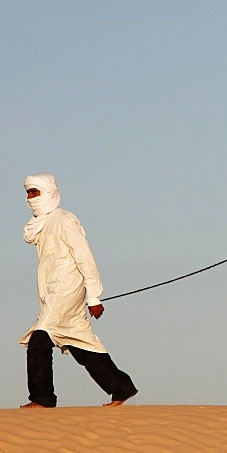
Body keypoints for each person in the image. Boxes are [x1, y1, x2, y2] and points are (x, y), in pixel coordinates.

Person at [19, 173, 138, 408]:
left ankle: (42, 398)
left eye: (35, 192)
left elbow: (85, 258)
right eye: (28, 192)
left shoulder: (64, 220)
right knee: (79, 342)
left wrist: (94, 295)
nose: (30, 198)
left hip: (67, 290)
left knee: (40, 340)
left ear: (49, 193)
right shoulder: (43, 223)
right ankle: (120, 387)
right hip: (51, 293)